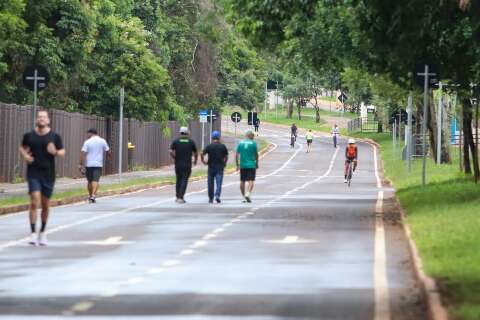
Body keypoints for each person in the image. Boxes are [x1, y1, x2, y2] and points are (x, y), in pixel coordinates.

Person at [19, 110, 65, 246]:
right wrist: (25, 156)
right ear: (36, 120)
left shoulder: (54, 136)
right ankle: (33, 234)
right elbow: (22, 147)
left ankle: (43, 233)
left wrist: (55, 152)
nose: (41, 119)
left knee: (45, 204)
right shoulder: (29, 136)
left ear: (48, 120)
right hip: (33, 173)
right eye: (39, 117)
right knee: (34, 200)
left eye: (44, 117)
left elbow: (62, 152)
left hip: (48, 174)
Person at [79, 128, 111, 203]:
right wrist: (109, 157)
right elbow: (108, 151)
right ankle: (92, 196)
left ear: (91, 133)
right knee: (95, 180)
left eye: (88, 134)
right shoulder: (102, 141)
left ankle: (91, 195)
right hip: (98, 164)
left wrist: (80, 164)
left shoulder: (87, 142)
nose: (87, 135)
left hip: (88, 164)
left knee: (90, 181)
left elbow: (83, 153)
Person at [170, 127, 198, 203]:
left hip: (178, 164)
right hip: (187, 165)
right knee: (184, 180)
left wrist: (175, 157)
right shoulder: (191, 142)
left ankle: (177, 196)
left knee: (178, 180)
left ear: (180, 133)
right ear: (187, 133)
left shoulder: (176, 141)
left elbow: (171, 151)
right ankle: (180, 197)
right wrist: (195, 160)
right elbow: (195, 153)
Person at [201, 131, 228, 204]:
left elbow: (202, 153)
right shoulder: (223, 146)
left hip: (211, 168)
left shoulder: (209, 146)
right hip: (219, 168)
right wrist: (224, 163)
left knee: (210, 183)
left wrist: (203, 161)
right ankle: (217, 195)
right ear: (219, 137)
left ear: (212, 138)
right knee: (219, 183)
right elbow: (226, 156)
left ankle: (210, 198)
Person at [236, 130, 259, 203]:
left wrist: (237, 164)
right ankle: (248, 193)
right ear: (250, 136)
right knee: (251, 180)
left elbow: (236, 154)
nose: (253, 137)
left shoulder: (240, 143)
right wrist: (257, 163)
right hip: (251, 165)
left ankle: (243, 197)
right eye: (253, 136)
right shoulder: (253, 143)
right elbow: (256, 155)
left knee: (242, 181)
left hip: (243, 165)